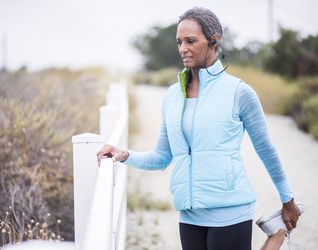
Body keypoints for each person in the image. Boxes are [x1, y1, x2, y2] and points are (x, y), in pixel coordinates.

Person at [97, 7, 302, 250]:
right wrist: (124, 155)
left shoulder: (239, 92)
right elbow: (162, 157)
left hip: (230, 210)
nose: (183, 48)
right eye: (179, 41)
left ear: (214, 41)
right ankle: (276, 236)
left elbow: (266, 149)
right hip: (189, 214)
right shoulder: (172, 95)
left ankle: (278, 235)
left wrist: (287, 200)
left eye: (191, 41)